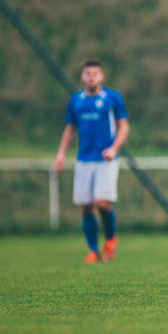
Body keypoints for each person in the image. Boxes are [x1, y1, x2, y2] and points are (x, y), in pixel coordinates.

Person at [54, 60, 129, 264]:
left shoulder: (112, 98)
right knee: (86, 206)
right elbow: (70, 130)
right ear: (82, 77)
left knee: (101, 202)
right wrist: (61, 154)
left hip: (105, 159)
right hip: (84, 159)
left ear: (102, 77)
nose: (91, 76)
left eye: (95, 73)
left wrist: (114, 148)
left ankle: (111, 240)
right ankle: (94, 250)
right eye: (88, 73)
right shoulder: (76, 101)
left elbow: (123, 127)